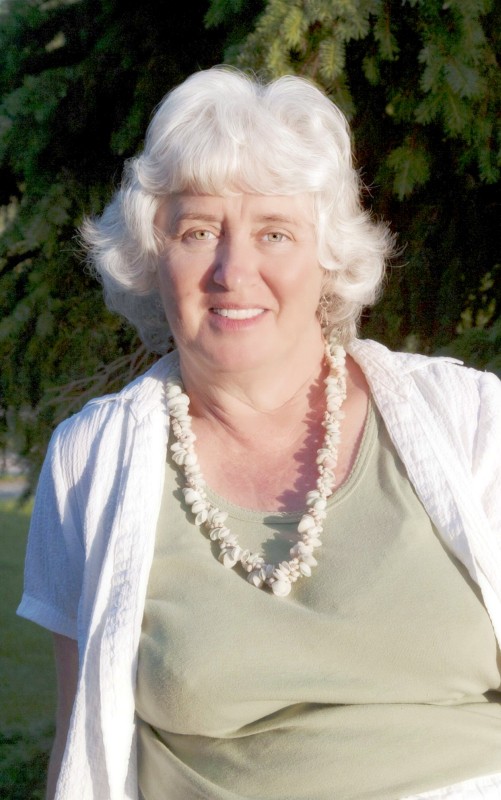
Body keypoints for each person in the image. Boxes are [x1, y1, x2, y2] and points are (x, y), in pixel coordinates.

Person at [18, 66, 501, 800]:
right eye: (197, 231)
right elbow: (79, 745)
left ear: (327, 257)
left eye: (274, 232)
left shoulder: (470, 419)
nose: (232, 270)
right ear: (151, 258)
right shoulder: (91, 462)